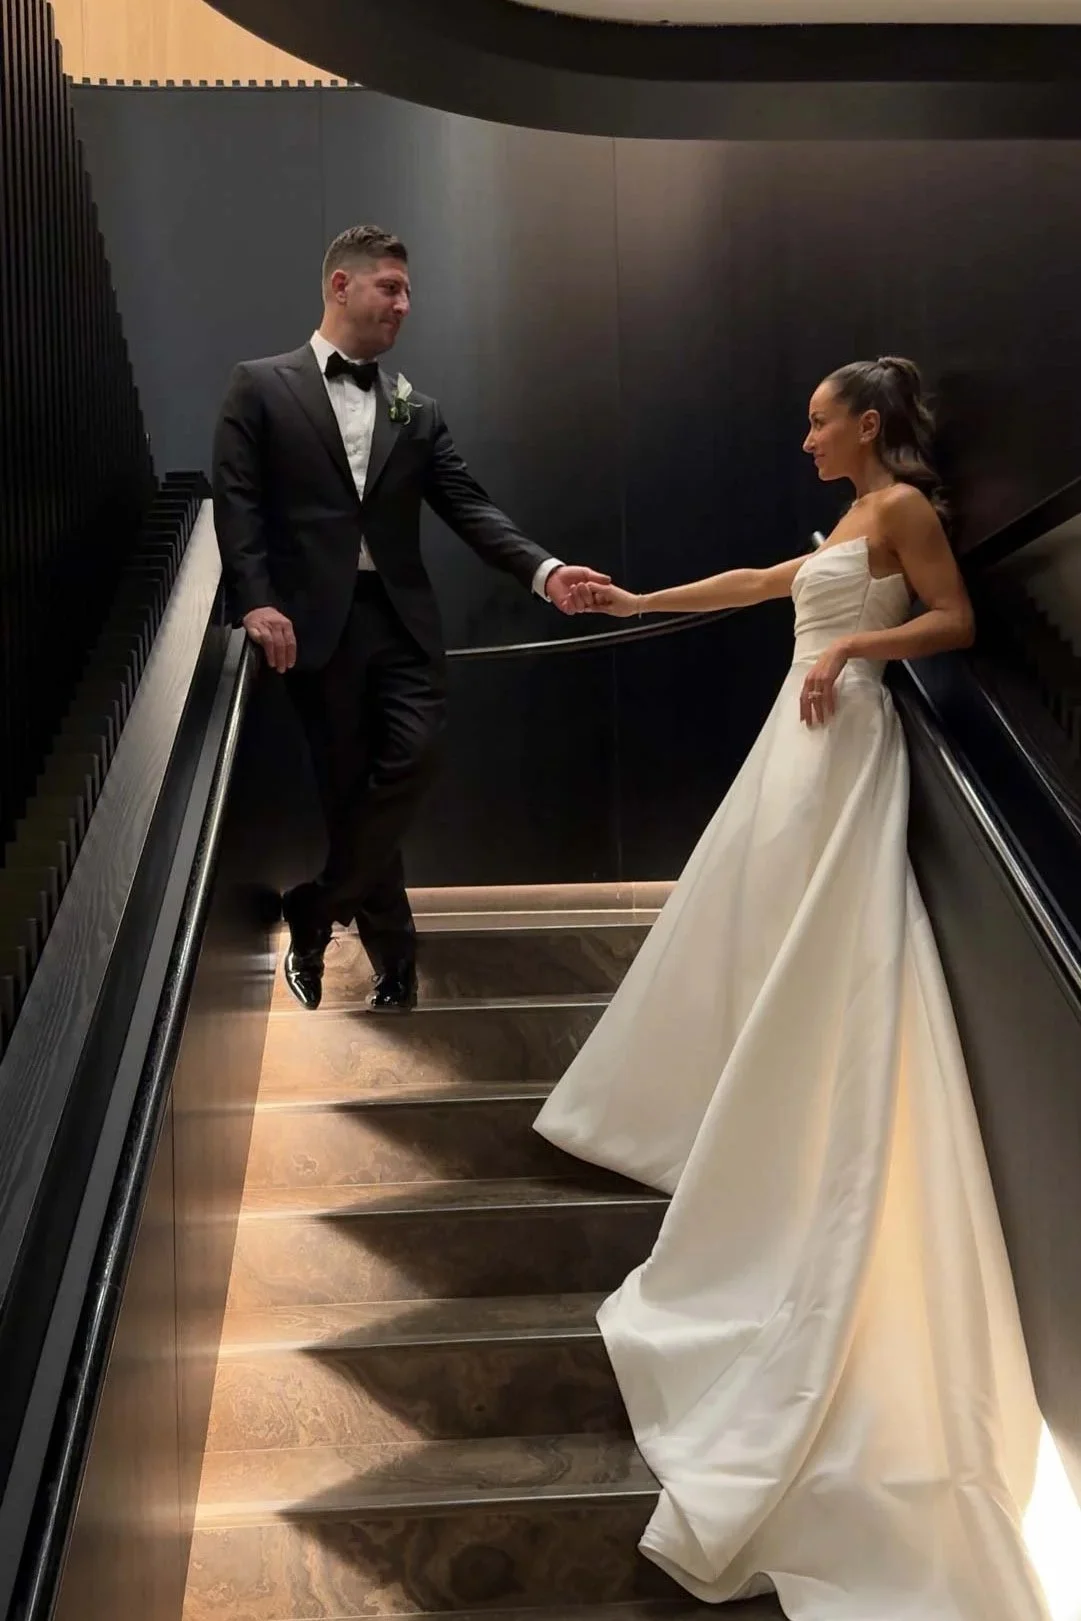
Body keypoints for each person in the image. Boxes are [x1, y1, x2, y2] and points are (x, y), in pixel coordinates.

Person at [535, 358, 1060, 1618]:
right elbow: (766, 586)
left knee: (824, 936)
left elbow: (955, 623)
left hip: (847, 726)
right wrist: (636, 602)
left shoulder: (903, 509)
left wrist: (856, 651)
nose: (806, 434)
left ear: (866, 424)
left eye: (820, 418)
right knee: (756, 930)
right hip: (801, 732)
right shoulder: (845, 518)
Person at [212, 225, 608, 1012]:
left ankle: (316, 907)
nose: (404, 303)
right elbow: (238, 498)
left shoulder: (414, 409)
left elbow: (467, 506)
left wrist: (546, 569)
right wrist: (256, 597)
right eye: (389, 287)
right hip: (314, 627)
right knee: (349, 791)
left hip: (400, 622)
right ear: (340, 287)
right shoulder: (258, 386)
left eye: (407, 290)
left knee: (413, 758)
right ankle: (394, 960)